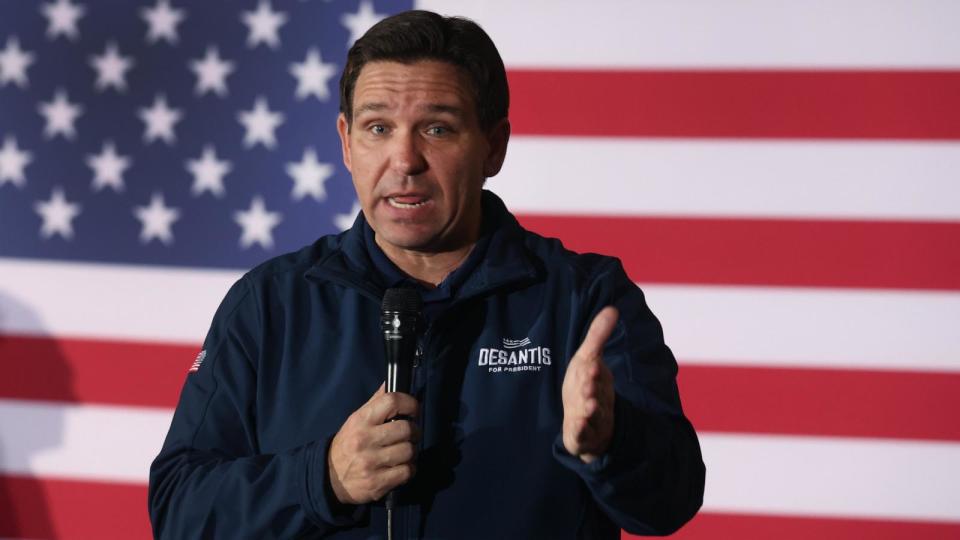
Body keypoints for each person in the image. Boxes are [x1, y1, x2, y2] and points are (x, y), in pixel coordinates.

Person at [148, 10, 704, 539]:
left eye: (437, 129)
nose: (404, 159)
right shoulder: (270, 303)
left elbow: (671, 503)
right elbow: (179, 513)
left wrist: (610, 443)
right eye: (378, 127)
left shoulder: (584, 300)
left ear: (494, 146)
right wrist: (322, 479)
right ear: (345, 142)